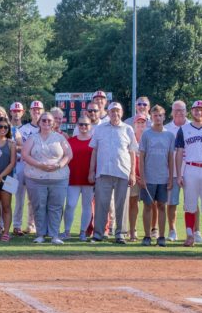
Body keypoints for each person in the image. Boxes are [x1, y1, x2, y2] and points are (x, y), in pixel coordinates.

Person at [88, 102, 137, 244]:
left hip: (122, 172)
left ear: (121, 113)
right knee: (101, 204)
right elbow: (94, 150)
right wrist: (92, 170)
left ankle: (120, 234)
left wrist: (133, 173)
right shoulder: (100, 129)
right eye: (112, 111)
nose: (115, 114)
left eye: (118, 111)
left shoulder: (128, 129)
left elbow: (132, 152)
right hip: (103, 172)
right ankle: (98, 233)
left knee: (121, 205)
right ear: (108, 113)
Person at [22, 110, 72, 244]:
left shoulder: (60, 138)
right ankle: (40, 235)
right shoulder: (33, 138)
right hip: (36, 178)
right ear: (39, 122)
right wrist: (39, 165)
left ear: (53, 123)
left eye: (49, 120)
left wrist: (59, 165)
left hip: (58, 178)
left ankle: (55, 235)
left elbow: (68, 154)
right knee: (39, 206)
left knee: (56, 206)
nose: (46, 123)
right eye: (43, 120)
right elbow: (25, 154)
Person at [175, 100, 202, 247]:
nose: (199, 112)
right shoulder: (184, 129)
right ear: (191, 111)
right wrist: (179, 174)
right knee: (190, 205)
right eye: (196, 109)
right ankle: (189, 235)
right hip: (191, 168)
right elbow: (179, 153)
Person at [138, 105, 175, 246]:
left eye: (160, 115)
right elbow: (141, 157)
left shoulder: (169, 135)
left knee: (161, 206)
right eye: (155, 115)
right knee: (147, 206)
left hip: (163, 177)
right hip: (149, 177)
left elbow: (171, 158)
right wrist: (142, 177)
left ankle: (161, 237)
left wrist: (171, 178)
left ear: (164, 117)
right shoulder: (146, 135)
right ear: (151, 117)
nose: (158, 118)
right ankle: (147, 236)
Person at [12, 100, 42, 236]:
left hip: (35, 168)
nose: (36, 111)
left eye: (39, 109)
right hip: (19, 166)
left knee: (33, 198)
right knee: (18, 198)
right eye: (34, 109)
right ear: (29, 111)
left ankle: (32, 225)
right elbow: (15, 147)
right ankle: (16, 225)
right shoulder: (22, 129)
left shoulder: (45, 129)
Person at [63, 114, 94, 242]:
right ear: (77, 126)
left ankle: (82, 232)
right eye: (81, 124)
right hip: (73, 178)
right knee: (70, 205)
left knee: (87, 206)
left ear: (90, 126)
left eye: (86, 124)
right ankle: (67, 231)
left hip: (88, 179)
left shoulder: (94, 141)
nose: (83, 127)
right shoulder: (70, 141)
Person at [164, 100, 188, 241]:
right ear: (172, 112)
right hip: (171, 172)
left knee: (191, 203)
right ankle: (172, 231)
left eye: (182, 110)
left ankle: (194, 231)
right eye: (176, 110)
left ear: (186, 111)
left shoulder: (192, 126)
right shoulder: (166, 129)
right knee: (171, 203)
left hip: (190, 171)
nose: (179, 112)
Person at [127, 115, 148, 241]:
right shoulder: (131, 137)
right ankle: (132, 230)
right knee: (133, 203)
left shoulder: (149, 137)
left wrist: (144, 176)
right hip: (134, 176)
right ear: (134, 124)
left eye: (143, 122)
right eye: (138, 122)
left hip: (147, 176)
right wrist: (135, 175)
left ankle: (150, 231)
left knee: (150, 205)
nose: (140, 125)